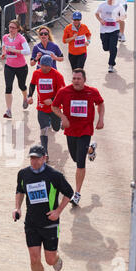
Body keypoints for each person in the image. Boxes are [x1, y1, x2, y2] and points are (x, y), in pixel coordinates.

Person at [13, 144, 73, 271]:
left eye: (37, 158)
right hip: (32, 223)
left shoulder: (55, 176)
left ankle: (56, 259)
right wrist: (17, 208)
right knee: (34, 258)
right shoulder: (23, 174)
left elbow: (69, 193)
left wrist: (58, 211)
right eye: (32, 158)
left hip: (50, 224)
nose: (34, 162)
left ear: (44, 158)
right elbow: (20, 191)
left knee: (49, 259)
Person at [51, 69, 104, 206]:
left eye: (78, 78)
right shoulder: (64, 92)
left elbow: (100, 103)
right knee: (75, 158)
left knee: (80, 163)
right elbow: (54, 106)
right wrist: (63, 117)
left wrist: (101, 119)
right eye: (74, 78)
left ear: (84, 80)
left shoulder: (92, 92)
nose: (76, 81)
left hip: (85, 130)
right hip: (70, 131)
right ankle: (91, 149)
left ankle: (77, 193)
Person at [27, 55, 65, 160]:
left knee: (56, 128)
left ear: (51, 66)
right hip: (41, 107)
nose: (43, 68)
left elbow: (62, 93)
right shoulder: (36, 73)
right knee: (43, 129)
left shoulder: (57, 75)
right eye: (42, 65)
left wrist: (52, 101)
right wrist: (29, 96)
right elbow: (32, 85)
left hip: (54, 108)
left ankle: (61, 122)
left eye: (46, 66)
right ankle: (45, 154)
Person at [1, 19, 30, 118]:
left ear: (18, 29)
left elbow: (27, 51)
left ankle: (25, 97)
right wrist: (4, 53)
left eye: (13, 28)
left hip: (21, 67)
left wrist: (15, 50)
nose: (11, 29)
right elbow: (4, 47)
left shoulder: (21, 38)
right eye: (10, 27)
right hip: (9, 66)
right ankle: (8, 110)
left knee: (21, 85)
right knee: (8, 87)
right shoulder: (5, 37)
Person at [95, 0, 126, 73]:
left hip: (114, 30)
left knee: (113, 48)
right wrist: (101, 20)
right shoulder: (102, 5)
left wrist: (119, 19)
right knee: (105, 48)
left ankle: (111, 64)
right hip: (104, 30)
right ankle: (110, 50)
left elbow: (124, 16)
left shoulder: (119, 6)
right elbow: (96, 13)